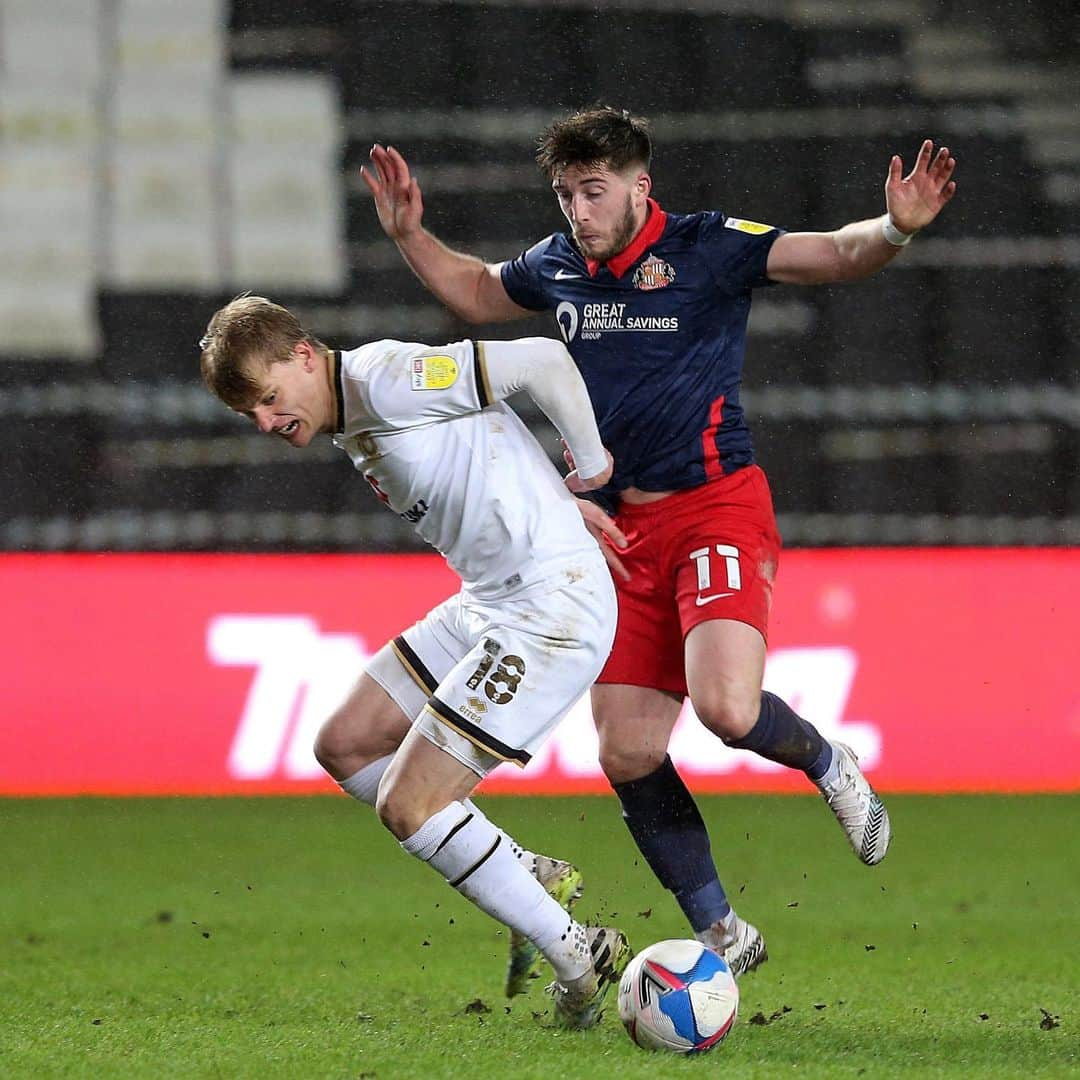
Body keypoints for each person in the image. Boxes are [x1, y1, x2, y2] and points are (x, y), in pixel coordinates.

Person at [361, 106, 958, 975]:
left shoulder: (709, 247)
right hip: (618, 533)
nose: (578, 211)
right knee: (628, 750)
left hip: (714, 505)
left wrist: (895, 229)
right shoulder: (558, 263)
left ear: (642, 186)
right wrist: (412, 234)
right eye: (565, 193)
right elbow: (478, 292)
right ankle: (720, 930)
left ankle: (830, 762)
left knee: (726, 710)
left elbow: (832, 254)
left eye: (593, 191)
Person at [198, 295, 632, 1028]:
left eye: (269, 399)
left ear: (304, 355)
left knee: (410, 805)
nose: (267, 423)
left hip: (548, 609)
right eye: (251, 416)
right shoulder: (354, 411)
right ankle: (523, 873)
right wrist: (550, 499)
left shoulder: (386, 378)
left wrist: (589, 472)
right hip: (490, 602)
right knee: (344, 743)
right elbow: (480, 440)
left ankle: (575, 953)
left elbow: (543, 362)